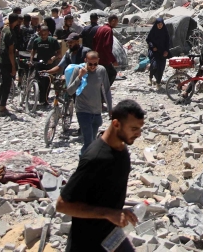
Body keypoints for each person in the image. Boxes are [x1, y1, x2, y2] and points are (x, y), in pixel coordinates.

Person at [56, 99, 145, 252]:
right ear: (116, 124)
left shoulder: (122, 150)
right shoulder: (95, 158)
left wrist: (121, 213)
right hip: (87, 244)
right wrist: (109, 214)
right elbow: (62, 205)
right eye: (134, 128)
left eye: (140, 128)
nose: (138, 133)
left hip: (111, 237)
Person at [66, 50, 114, 153]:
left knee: (92, 141)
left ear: (98, 61)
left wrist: (110, 108)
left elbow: (106, 90)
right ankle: (84, 163)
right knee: (88, 142)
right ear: (85, 60)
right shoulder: (77, 70)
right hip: (83, 111)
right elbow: (70, 91)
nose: (92, 66)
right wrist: (80, 77)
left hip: (96, 111)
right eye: (90, 64)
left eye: (95, 64)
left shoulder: (101, 70)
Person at [30, 22, 62, 106]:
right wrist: (31, 60)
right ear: (39, 32)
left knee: (47, 82)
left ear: (48, 33)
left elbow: (59, 53)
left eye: (45, 34)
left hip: (49, 65)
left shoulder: (53, 41)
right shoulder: (37, 41)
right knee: (40, 81)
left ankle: (45, 100)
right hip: (39, 63)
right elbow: (33, 51)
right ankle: (41, 99)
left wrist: (53, 58)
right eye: (41, 34)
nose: (43, 35)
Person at [0, 14, 19, 115]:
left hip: (1, 59)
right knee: (7, 84)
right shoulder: (10, 33)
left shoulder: (4, 29)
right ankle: (2, 107)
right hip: (7, 61)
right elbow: (10, 52)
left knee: (3, 82)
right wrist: (13, 66)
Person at [145, 17, 171, 88]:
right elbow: (148, 40)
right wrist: (153, 46)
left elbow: (167, 42)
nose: (160, 26)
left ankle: (158, 82)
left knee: (161, 68)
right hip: (154, 52)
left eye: (161, 24)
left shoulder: (165, 32)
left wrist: (166, 51)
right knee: (154, 65)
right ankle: (150, 78)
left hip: (162, 52)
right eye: (158, 24)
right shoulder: (153, 31)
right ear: (156, 24)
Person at [93, 14, 119, 83]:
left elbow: (94, 40)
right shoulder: (109, 30)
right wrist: (113, 60)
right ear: (113, 21)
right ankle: (104, 91)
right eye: (116, 22)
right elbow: (106, 46)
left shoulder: (100, 28)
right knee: (111, 74)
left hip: (97, 57)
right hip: (104, 59)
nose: (117, 24)